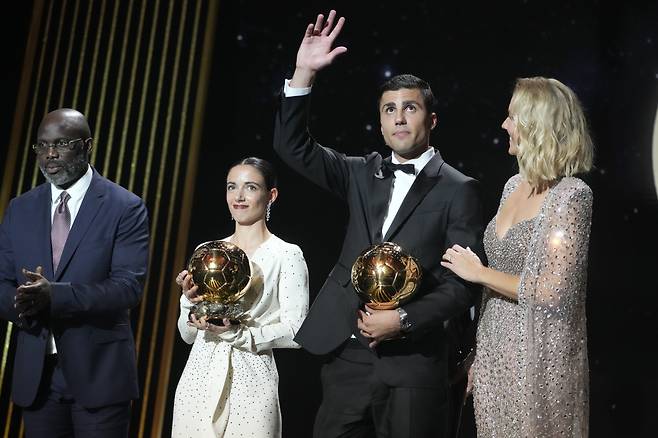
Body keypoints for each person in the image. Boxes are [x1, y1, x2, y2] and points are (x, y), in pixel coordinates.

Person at [273, 10, 485, 438]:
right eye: (390, 110)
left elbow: (462, 285)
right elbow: (291, 146)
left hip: (414, 360)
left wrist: (402, 320)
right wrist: (303, 73)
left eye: (410, 108)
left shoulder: (459, 188)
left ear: (432, 120)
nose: (399, 118)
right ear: (382, 123)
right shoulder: (359, 172)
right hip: (348, 354)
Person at [441, 77, 594, 437]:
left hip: (539, 358)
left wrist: (478, 273)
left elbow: (553, 291)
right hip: (495, 353)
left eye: (512, 117)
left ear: (536, 123)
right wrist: (477, 353)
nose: (504, 125)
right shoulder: (513, 185)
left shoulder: (572, 196)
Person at [0, 108, 150, 437]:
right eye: (41, 145)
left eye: (62, 143)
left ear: (87, 145)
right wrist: (23, 303)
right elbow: (2, 282)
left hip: (100, 377)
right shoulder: (20, 208)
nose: (50, 154)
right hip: (37, 379)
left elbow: (128, 287)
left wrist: (55, 295)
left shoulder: (125, 207)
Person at [171, 157, 309, 437]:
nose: (239, 196)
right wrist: (189, 302)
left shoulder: (286, 254)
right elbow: (187, 335)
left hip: (252, 381)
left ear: (271, 195)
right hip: (198, 378)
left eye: (251, 187)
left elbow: (298, 331)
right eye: (232, 187)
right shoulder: (207, 253)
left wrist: (241, 333)